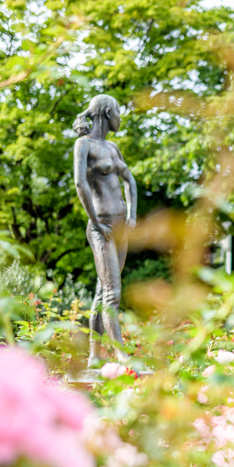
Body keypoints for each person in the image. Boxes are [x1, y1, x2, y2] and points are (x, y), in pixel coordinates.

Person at [72, 94, 137, 365]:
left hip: (121, 227)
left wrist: (132, 216)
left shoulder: (112, 147)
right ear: (108, 112)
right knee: (113, 294)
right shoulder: (83, 145)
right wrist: (95, 222)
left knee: (103, 291)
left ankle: (93, 356)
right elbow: (80, 184)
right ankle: (121, 355)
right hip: (103, 229)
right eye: (119, 112)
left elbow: (130, 180)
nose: (121, 118)